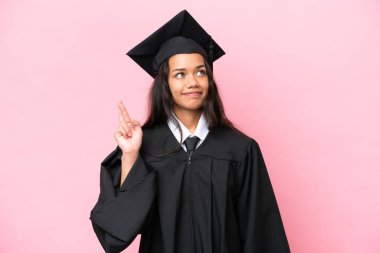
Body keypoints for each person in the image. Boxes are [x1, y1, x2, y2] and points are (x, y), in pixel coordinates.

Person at [90, 10, 291, 253]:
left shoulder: (239, 150)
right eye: (180, 74)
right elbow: (117, 232)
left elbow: (261, 233)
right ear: (165, 84)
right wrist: (131, 156)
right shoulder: (145, 146)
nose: (192, 82)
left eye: (200, 71)